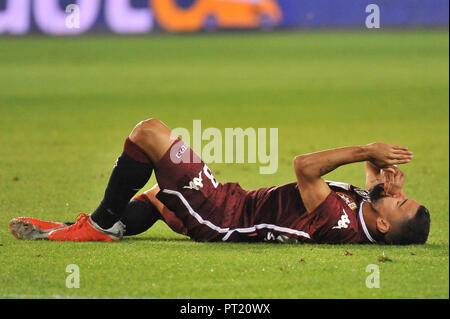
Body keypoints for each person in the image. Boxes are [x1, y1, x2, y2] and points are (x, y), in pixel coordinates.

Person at [9, 118, 430, 245]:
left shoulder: (338, 218)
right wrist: (380, 179)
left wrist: (363, 151)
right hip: (232, 204)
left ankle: (99, 226)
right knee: (157, 197)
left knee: (151, 135)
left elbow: (304, 166)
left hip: (222, 218)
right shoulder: (366, 216)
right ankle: (108, 226)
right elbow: (368, 192)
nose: (400, 196)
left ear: (385, 225)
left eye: (401, 204)